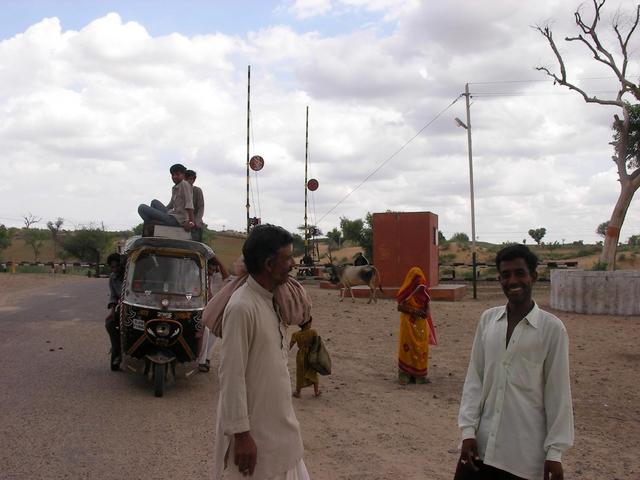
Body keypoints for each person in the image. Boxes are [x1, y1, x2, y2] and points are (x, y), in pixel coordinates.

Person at [455, 244, 574, 480]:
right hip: (481, 447)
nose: (512, 280)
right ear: (499, 278)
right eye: (506, 275)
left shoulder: (552, 329)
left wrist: (555, 453)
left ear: (534, 277)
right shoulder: (488, 320)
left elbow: (558, 393)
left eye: (520, 273)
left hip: (523, 457)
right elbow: (475, 378)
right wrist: (467, 431)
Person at [214, 224, 308, 479]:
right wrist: (242, 436)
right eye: (287, 258)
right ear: (269, 264)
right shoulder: (242, 307)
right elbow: (231, 376)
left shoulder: (270, 299)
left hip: (282, 430)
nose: (293, 264)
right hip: (257, 438)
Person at [396, 267, 437, 385]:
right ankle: (405, 376)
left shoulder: (423, 290)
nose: (420, 282)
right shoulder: (406, 292)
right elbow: (400, 307)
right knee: (407, 348)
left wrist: (426, 312)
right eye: (417, 280)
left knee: (421, 349)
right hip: (408, 325)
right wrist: (416, 312)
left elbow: (427, 305)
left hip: (421, 326)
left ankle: (419, 376)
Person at [137, 163, 195, 231]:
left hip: (177, 220)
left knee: (141, 207)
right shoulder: (175, 187)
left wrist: (191, 222)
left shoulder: (184, 184)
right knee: (154, 202)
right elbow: (170, 205)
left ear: (183, 175)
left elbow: (189, 204)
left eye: (177, 174)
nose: (174, 177)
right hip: (172, 215)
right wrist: (159, 213)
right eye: (173, 175)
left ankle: (152, 224)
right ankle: (154, 222)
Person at [198, 256, 230, 373]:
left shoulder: (217, 278)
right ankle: (202, 361)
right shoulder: (199, 277)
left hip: (212, 309)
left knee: (215, 331)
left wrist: (217, 259)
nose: (211, 272)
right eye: (209, 269)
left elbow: (227, 276)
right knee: (206, 331)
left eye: (213, 269)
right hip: (200, 309)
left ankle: (207, 358)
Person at [289, 318, 320, 398]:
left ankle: (298, 392)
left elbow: (290, 345)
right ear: (308, 324)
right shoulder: (313, 332)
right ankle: (316, 391)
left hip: (300, 356)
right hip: (311, 355)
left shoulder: (296, 334)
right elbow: (317, 343)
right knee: (313, 372)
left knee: (300, 373)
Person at [105, 252, 125, 371]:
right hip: (121, 307)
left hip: (133, 307)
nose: (115, 269)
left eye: (117, 266)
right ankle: (117, 348)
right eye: (112, 267)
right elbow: (113, 296)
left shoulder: (131, 275)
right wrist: (113, 310)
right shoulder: (112, 278)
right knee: (110, 323)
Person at [185, 169, 205, 241]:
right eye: (186, 179)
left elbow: (201, 207)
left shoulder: (197, 190)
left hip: (195, 223)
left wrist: (196, 222)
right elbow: (171, 205)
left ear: (194, 180)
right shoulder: (180, 189)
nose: (188, 181)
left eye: (190, 179)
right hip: (183, 221)